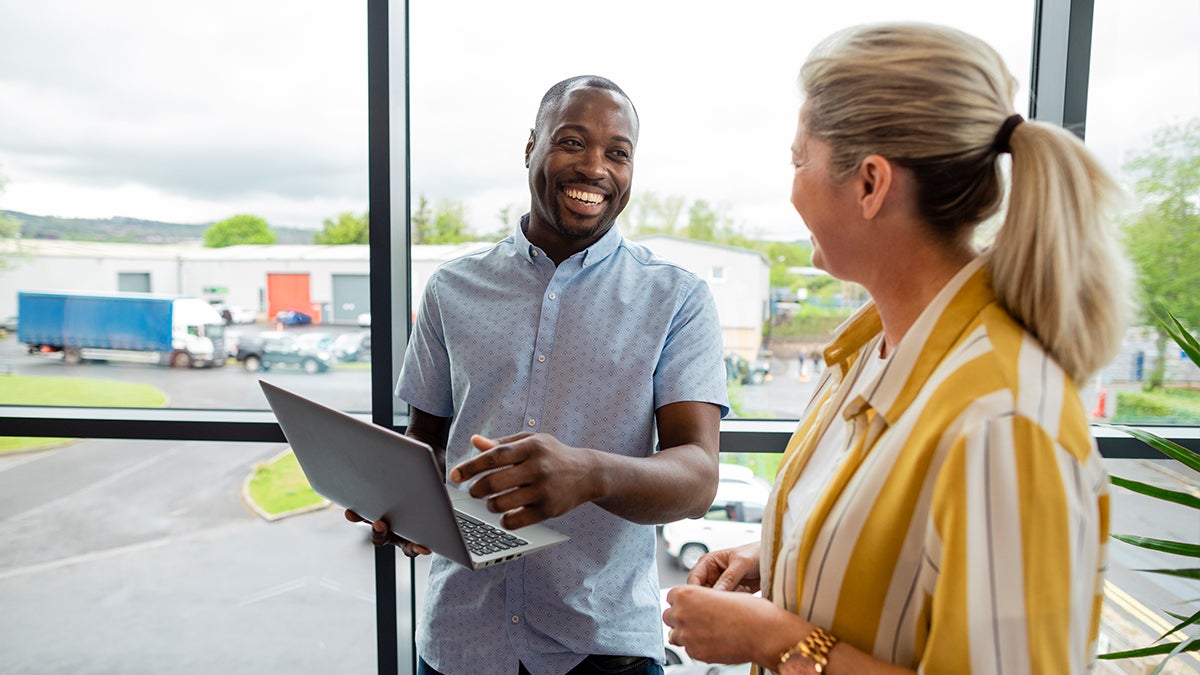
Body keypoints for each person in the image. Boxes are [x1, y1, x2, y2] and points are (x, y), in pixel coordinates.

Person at [662, 22, 1130, 675]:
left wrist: (777, 639)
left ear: (871, 184)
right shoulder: (870, 353)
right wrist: (782, 552)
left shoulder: (1004, 423)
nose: (792, 186)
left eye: (800, 160)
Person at [348, 75, 729, 675]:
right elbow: (424, 446)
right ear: (531, 149)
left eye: (618, 152)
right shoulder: (452, 288)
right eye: (572, 142)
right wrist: (389, 498)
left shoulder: (676, 298)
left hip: (604, 646)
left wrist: (592, 473)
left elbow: (699, 476)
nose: (596, 168)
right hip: (461, 640)